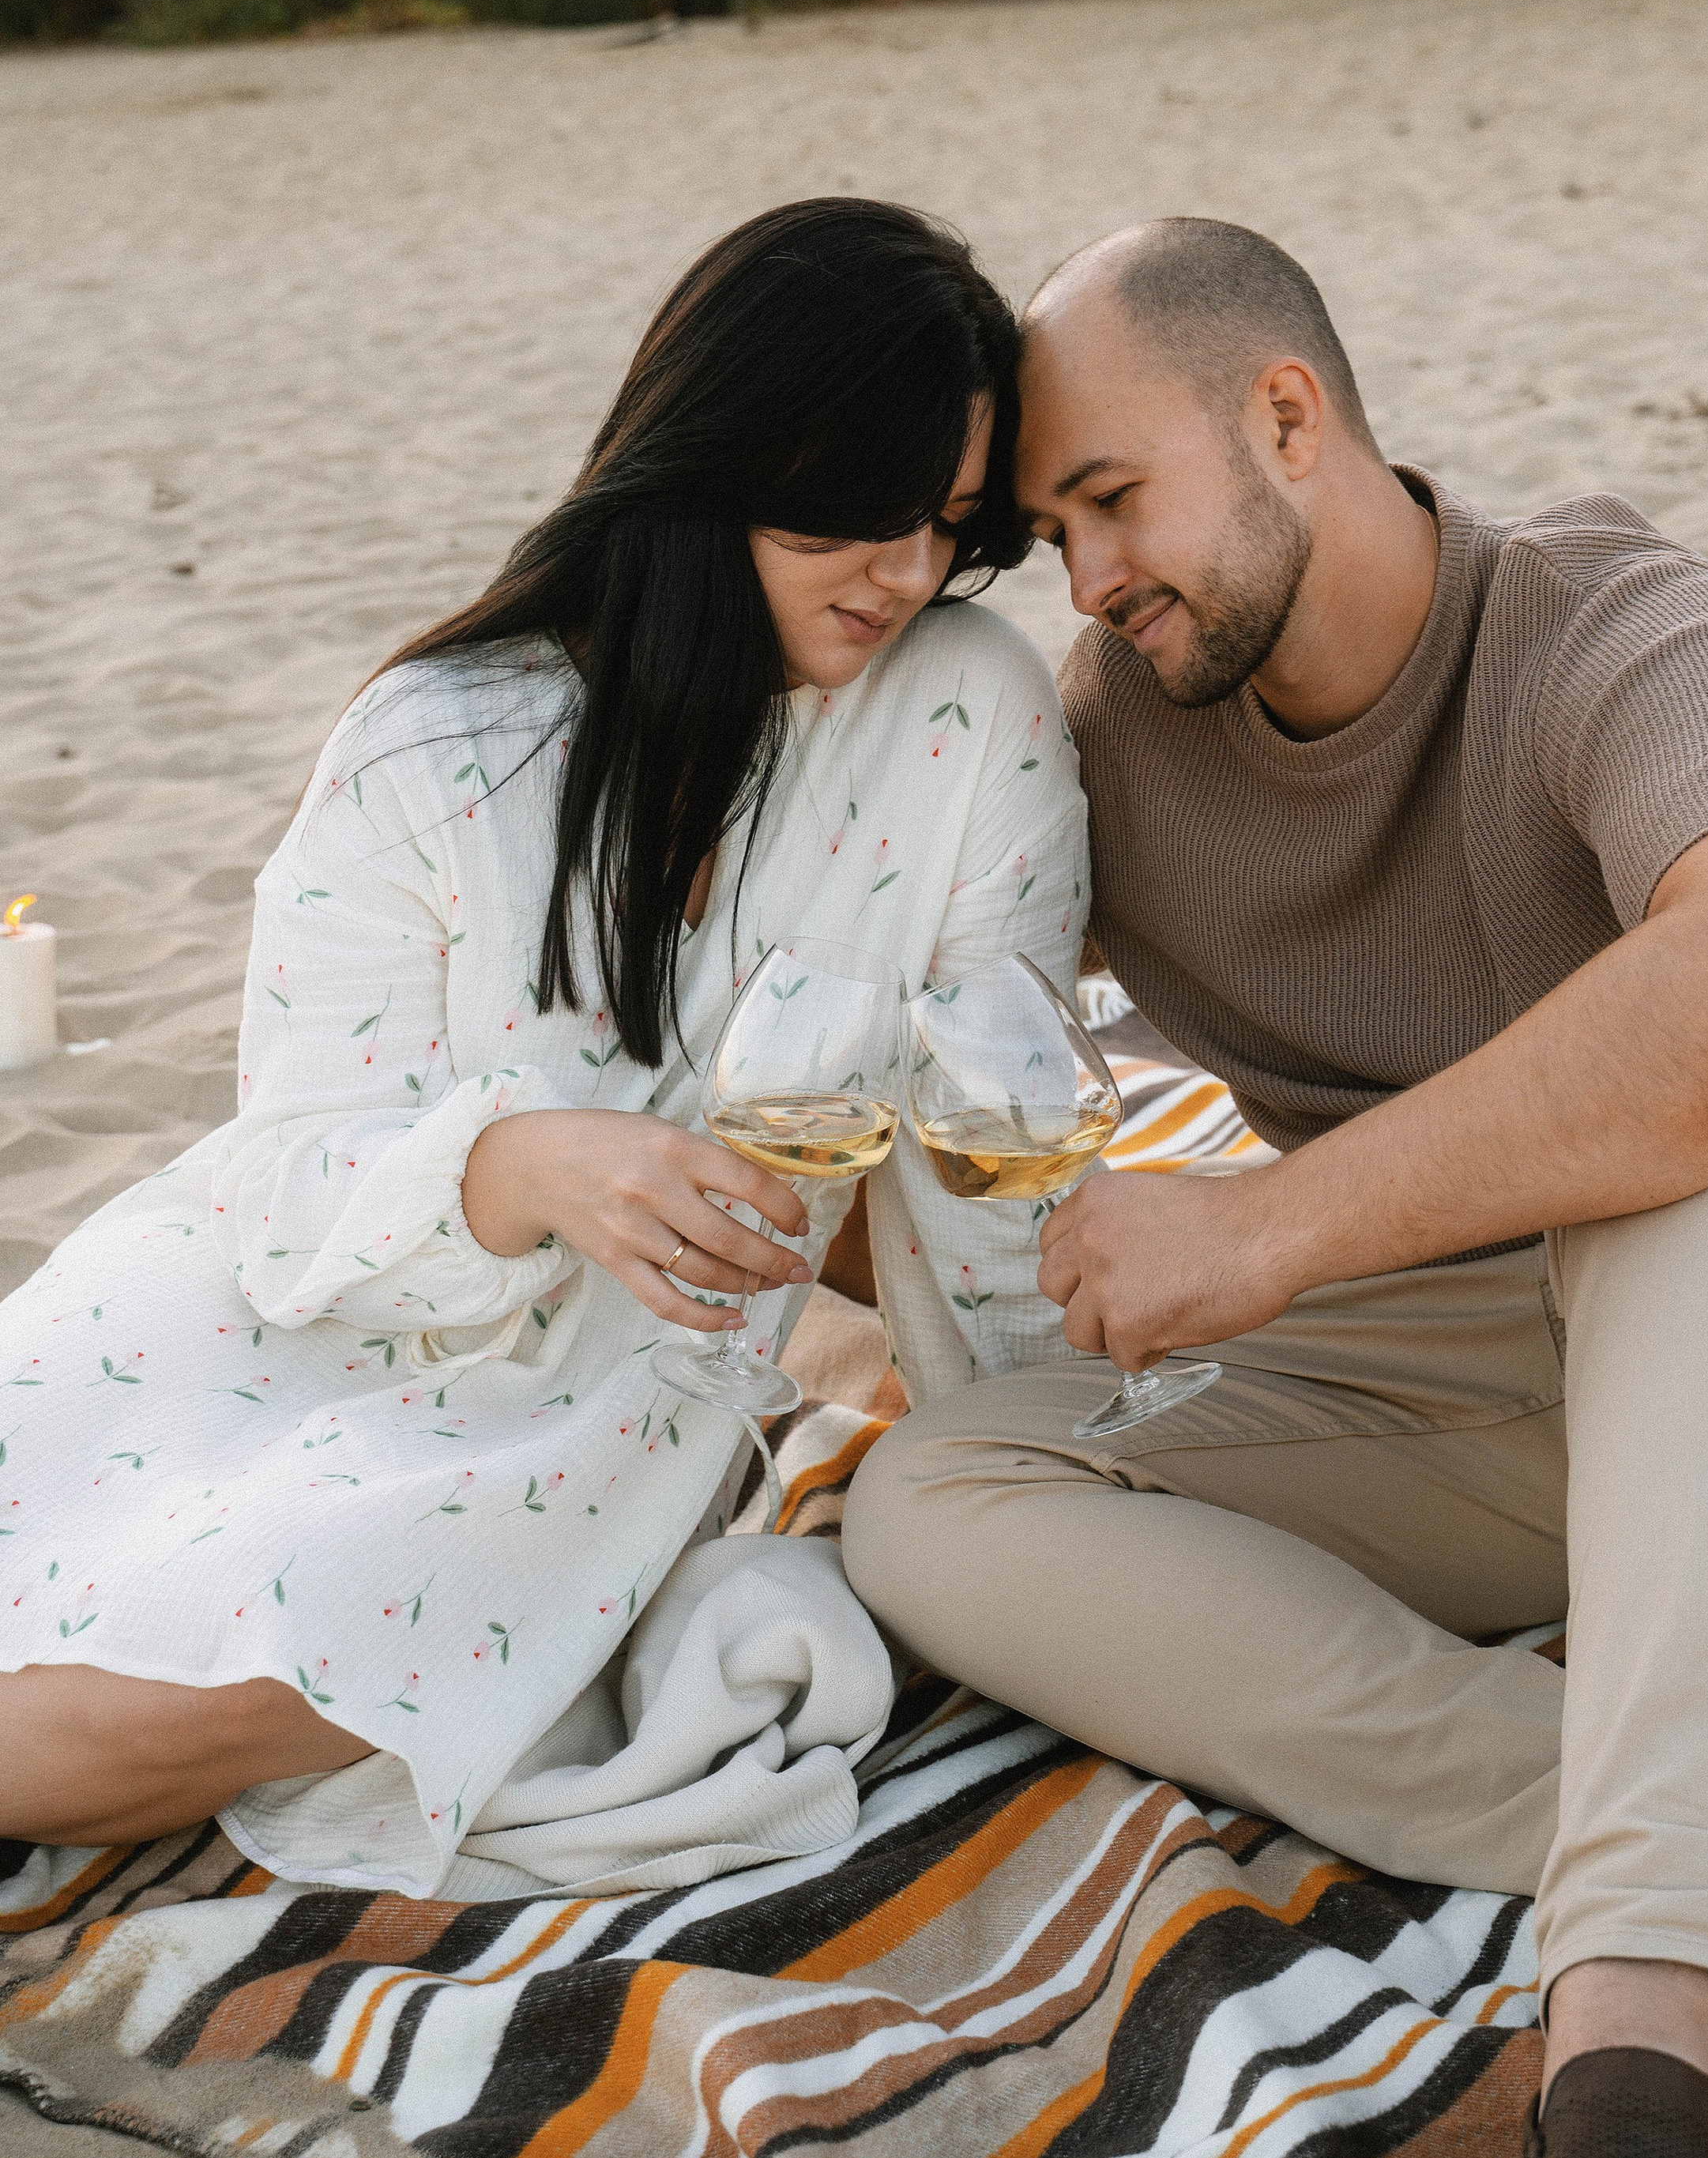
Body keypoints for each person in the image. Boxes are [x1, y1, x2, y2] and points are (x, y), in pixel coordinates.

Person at [844, 215, 1708, 2158]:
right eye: (1051, 533)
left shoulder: (1600, 622)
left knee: (1688, 1135)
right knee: (939, 1496)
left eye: (1112, 503)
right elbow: (908, 978)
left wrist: (1266, 1230)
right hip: (1521, 1386)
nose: (1089, 581)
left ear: (1286, 417)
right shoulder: (1119, 736)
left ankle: (1651, 2032)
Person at [0, 198, 1086, 1899]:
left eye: (949, 526)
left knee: (121, 1730)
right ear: (724, 455)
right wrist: (524, 1163)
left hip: (586, 1413)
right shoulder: (435, 741)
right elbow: (288, 1184)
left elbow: (997, 1123)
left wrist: (1013, 1451)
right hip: (276, 1304)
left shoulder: (969, 718)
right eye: (862, 515)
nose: (908, 573)